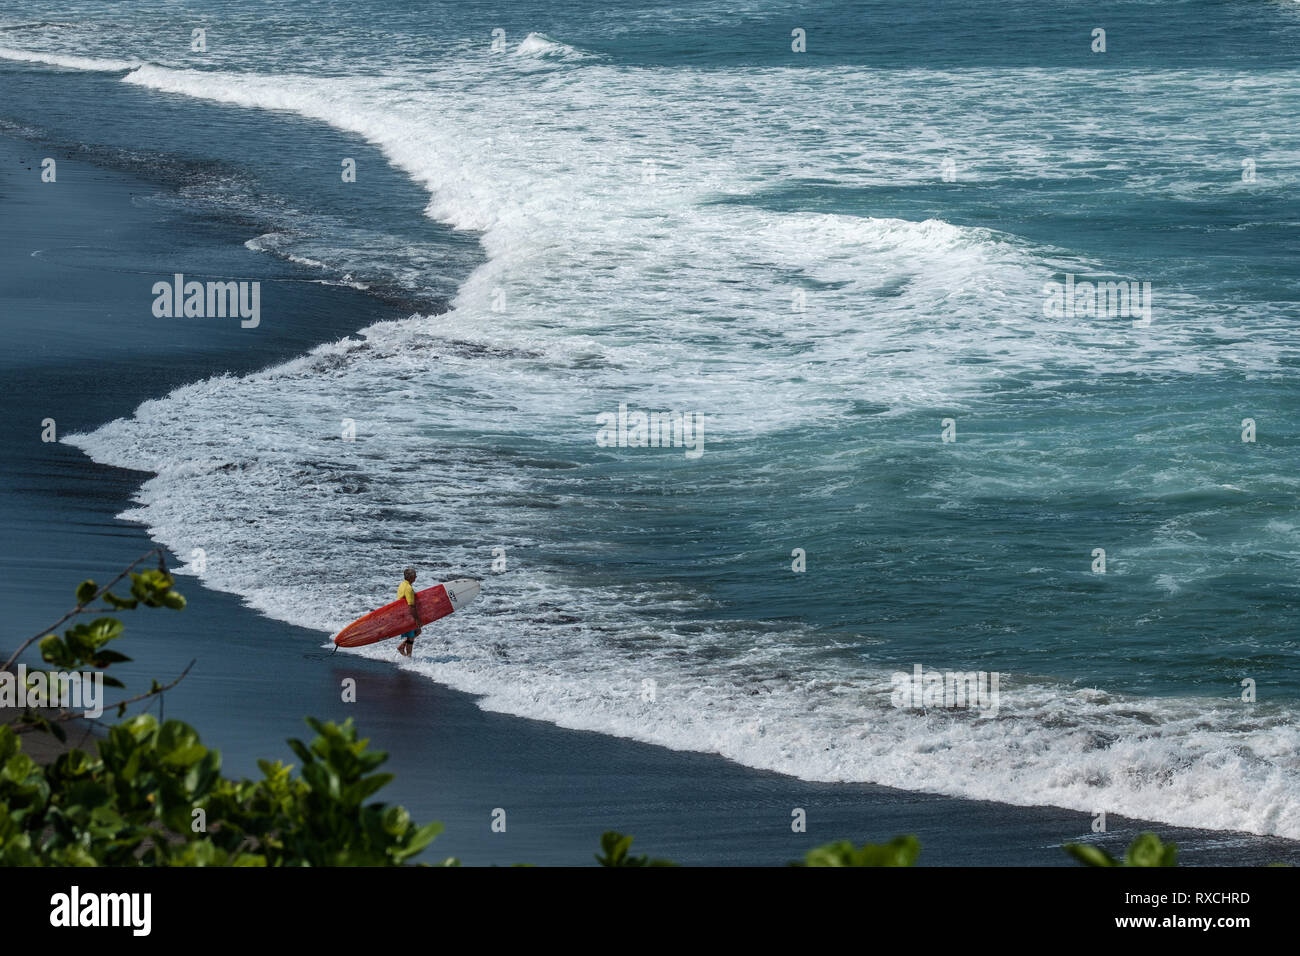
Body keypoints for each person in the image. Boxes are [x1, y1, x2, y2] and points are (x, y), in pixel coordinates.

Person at [396, 566, 422, 656]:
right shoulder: (408, 588)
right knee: (411, 637)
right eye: (415, 576)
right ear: (411, 577)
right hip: (407, 615)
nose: (416, 577)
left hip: (402, 613)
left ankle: (402, 647)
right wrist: (417, 619)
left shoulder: (402, 584)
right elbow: (411, 606)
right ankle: (409, 658)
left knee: (417, 632)